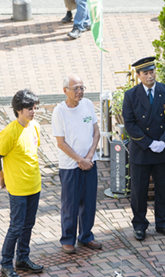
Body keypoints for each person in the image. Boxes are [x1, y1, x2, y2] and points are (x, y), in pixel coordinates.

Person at [122, 57, 165, 241]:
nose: (150, 75)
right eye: (145, 73)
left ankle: (163, 224)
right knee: (139, 192)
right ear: (138, 75)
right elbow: (129, 124)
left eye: (152, 71)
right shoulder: (131, 95)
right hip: (142, 151)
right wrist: (148, 143)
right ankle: (139, 225)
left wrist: (164, 141)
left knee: (162, 189)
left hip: (162, 150)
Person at [0, 90, 44, 277]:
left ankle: (22, 259)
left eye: (35, 107)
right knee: (16, 226)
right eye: (29, 108)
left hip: (34, 185)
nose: (33, 111)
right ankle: (6, 264)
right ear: (18, 110)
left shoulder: (34, 126)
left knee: (28, 225)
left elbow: (32, 153)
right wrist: (1, 176)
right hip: (18, 189)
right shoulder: (9, 132)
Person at [52, 74, 102, 254]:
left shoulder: (88, 104)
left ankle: (86, 236)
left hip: (90, 162)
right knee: (70, 204)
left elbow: (96, 133)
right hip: (70, 166)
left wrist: (88, 157)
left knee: (89, 202)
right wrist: (80, 160)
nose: (80, 92)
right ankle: (68, 239)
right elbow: (61, 142)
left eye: (82, 88)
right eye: (76, 89)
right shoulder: (59, 111)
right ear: (65, 91)